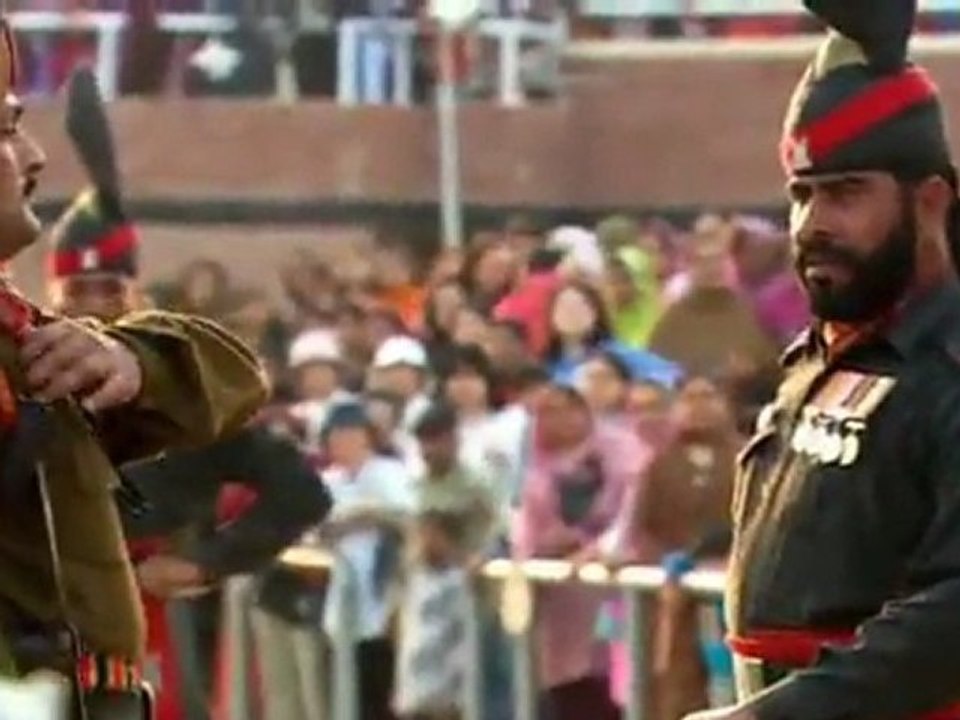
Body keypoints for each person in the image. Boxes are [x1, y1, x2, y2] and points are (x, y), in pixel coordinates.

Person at [684, 1, 960, 719]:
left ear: (929, 202)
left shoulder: (947, 370)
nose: (813, 226)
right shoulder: (823, 354)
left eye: (845, 194)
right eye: (801, 197)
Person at [45, 67, 330, 720]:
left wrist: (204, 564)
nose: (94, 307)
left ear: (134, 295)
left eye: (108, 291)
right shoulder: (25, 379)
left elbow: (299, 491)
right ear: (54, 296)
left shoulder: (183, 389)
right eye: (78, 294)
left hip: (157, 630)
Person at [0, 27, 268, 720]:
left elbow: (231, 381)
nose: (31, 157)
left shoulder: (28, 342)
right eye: (5, 130)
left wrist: (130, 361)